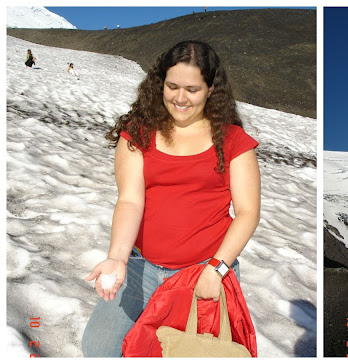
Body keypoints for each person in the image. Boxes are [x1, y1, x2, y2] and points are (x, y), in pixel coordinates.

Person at [81, 40, 261, 357]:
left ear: (210, 90)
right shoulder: (138, 133)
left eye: (192, 89)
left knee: (188, 353)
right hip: (141, 266)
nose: (180, 98)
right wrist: (117, 257)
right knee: (99, 348)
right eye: (172, 86)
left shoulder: (233, 141)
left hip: (205, 270)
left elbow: (247, 212)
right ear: (160, 84)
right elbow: (130, 201)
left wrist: (217, 270)